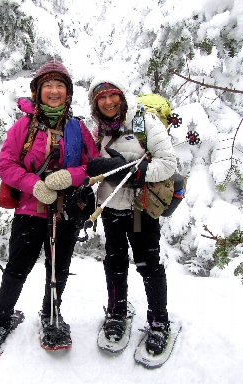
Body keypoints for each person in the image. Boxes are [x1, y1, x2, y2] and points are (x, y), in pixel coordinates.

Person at [0, 60, 99, 358]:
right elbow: (6, 164)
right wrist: (33, 184)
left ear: (68, 92)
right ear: (38, 92)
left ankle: (51, 315)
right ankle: (0, 320)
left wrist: (72, 176)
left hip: (66, 212)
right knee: (17, 268)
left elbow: (92, 166)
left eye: (60, 86)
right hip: (30, 211)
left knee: (59, 269)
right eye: (48, 86)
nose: (54, 91)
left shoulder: (78, 128)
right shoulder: (23, 127)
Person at [86, 72, 177, 355]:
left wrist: (136, 173)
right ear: (95, 103)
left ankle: (159, 321)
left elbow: (168, 164)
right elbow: (87, 163)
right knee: (114, 261)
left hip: (139, 208)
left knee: (147, 263)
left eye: (114, 95)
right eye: (102, 98)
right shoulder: (96, 129)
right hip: (110, 207)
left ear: (123, 96)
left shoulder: (142, 122)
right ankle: (116, 313)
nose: (109, 102)